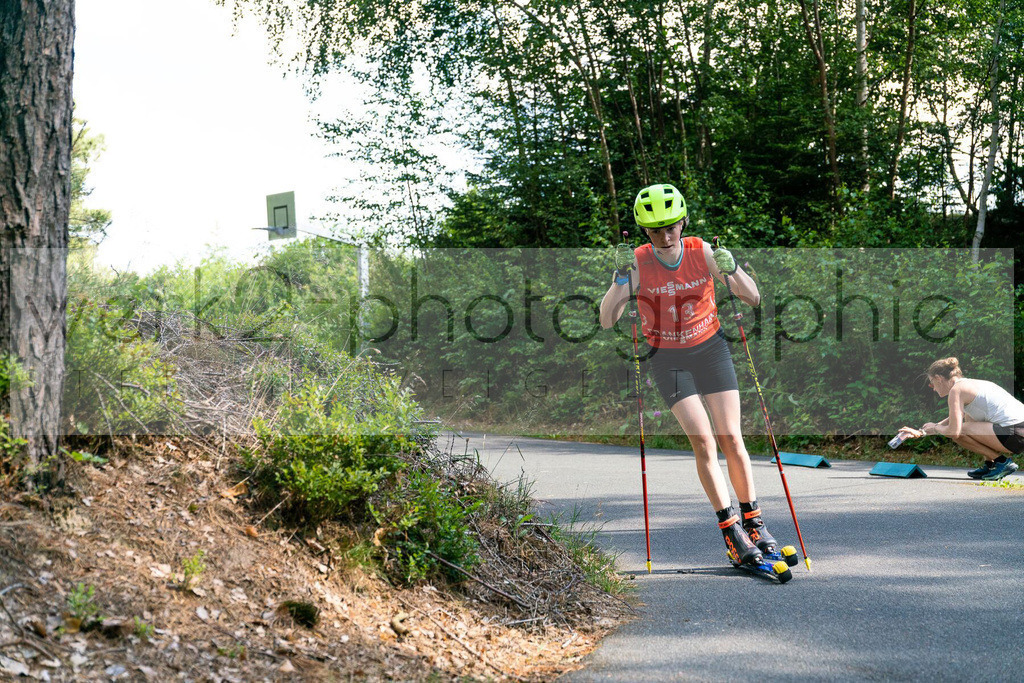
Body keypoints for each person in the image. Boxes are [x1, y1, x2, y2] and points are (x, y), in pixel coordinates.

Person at [599, 183, 775, 566]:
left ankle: (755, 523)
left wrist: (732, 269)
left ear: (683, 222)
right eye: (655, 229)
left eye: (671, 226)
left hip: (711, 349)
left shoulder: (701, 250)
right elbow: (606, 319)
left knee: (732, 438)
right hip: (667, 358)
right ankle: (731, 533)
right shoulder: (638, 262)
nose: (665, 236)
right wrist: (619, 279)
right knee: (705, 443)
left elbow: (753, 297)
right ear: (644, 231)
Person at [896, 357, 1022, 480]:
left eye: (932, 383)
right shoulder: (969, 384)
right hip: (1017, 431)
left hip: (1015, 434)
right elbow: (955, 417)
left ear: (938, 379)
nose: (933, 389)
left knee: (958, 431)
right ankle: (991, 464)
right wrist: (921, 432)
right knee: (969, 417)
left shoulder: (956, 390)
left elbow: (954, 431)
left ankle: (1001, 462)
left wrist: (936, 427)